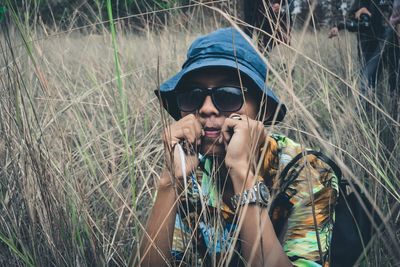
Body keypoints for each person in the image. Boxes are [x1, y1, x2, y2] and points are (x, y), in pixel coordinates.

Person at [140, 27, 339, 266]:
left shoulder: (307, 174)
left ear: (262, 110)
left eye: (227, 94)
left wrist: (242, 173)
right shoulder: (192, 170)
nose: (206, 108)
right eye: (192, 95)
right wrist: (169, 182)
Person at [329, 0, 399, 97]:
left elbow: (393, 16)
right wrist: (339, 26)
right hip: (368, 48)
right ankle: (366, 109)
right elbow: (354, 17)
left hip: (391, 45)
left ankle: (391, 106)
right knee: (366, 83)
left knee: (394, 82)